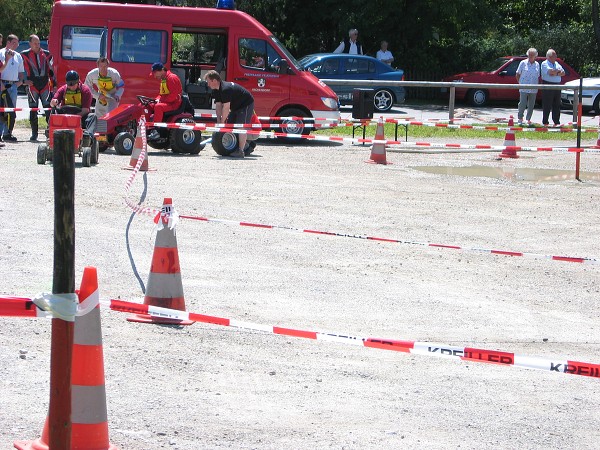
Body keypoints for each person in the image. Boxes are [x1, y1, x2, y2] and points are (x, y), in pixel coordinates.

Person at [204, 69, 254, 158]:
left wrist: (222, 121)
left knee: (240, 127)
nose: (207, 84)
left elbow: (226, 107)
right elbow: (219, 105)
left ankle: (241, 151)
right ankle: (246, 146)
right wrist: (219, 120)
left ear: (214, 81)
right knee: (230, 125)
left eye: (208, 82)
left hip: (245, 104)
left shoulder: (225, 89)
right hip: (236, 106)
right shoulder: (216, 90)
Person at [21, 34, 53, 142]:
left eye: (38, 43)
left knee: (48, 108)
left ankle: (50, 132)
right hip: (32, 84)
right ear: (30, 43)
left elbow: (52, 70)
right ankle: (34, 133)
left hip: (44, 83)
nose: (37, 45)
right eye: (35, 43)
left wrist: (54, 83)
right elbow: (21, 70)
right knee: (33, 109)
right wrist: (25, 81)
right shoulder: (24, 54)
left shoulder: (47, 54)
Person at [50, 70, 96, 139]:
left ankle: (88, 136)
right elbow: (52, 103)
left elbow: (86, 110)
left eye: (73, 85)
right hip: (65, 115)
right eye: (69, 85)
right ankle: (50, 132)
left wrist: (74, 118)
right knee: (53, 111)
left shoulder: (85, 91)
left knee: (92, 116)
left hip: (80, 115)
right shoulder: (63, 89)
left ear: (78, 82)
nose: (71, 87)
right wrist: (54, 102)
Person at [147, 62, 182, 140]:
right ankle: (146, 127)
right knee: (147, 105)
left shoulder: (172, 78)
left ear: (162, 70)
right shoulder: (164, 79)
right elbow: (161, 94)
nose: (154, 76)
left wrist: (160, 101)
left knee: (158, 107)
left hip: (174, 103)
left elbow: (173, 96)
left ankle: (156, 131)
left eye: (155, 73)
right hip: (167, 102)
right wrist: (157, 99)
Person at [0, 34, 25, 142]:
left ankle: (8, 133)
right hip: (2, 85)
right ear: (8, 42)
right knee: (2, 111)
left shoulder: (18, 55)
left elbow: (21, 72)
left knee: (11, 111)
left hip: (13, 86)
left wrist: (19, 83)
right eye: (14, 42)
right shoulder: (1, 53)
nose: (16, 45)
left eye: (17, 43)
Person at [540, 48, 565, 127]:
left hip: (557, 85)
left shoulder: (557, 63)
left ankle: (556, 122)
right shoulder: (544, 63)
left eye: (555, 55)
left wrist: (556, 73)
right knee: (547, 104)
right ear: (549, 57)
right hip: (548, 84)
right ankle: (545, 122)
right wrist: (557, 72)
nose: (555, 57)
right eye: (554, 55)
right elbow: (550, 72)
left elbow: (563, 73)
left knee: (557, 104)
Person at [515, 48, 540, 126]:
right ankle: (520, 118)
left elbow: (538, 76)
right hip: (523, 87)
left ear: (535, 56)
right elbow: (517, 74)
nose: (530, 56)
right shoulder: (523, 63)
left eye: (532, 55)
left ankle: (528, 119)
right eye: (529, 55)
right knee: (522, 103)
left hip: (533, 88)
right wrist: (520, 83)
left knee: (531, 104)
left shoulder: (537, 64)